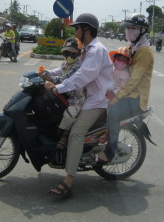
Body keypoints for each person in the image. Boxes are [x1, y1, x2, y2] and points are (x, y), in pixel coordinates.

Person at [43, 13, 113, 197]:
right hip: (85, 97)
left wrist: (58, 87)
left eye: (77, 28)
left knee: (76, 133)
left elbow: (82, 77)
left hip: (96, 100)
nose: (75, 32)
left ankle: (69, 180)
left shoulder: (96, 50)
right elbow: (69, 67)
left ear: (86, 30)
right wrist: (47, 74)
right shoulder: (86, 49)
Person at [96, 13, 154, 163]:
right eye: (128, 28)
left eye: (133, 28)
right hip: (125, 91)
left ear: (142, 30)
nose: (129, 31)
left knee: (113, 110)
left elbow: (134, 80)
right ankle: (103, 133)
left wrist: (117, 98)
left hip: (136, 98)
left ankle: (110, 150)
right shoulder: (132, 48)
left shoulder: (144, 52)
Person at [39, 37, 85, 149]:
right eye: (66, 53)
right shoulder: (66, 64)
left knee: (69, 114)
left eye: (72, 53)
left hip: (74, 99)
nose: (68, 56)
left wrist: (49, 80)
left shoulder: (77, 66)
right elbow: (56, 71)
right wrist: (45, 72)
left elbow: (63, 78)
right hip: (62, 94)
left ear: (78, 53)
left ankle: (64, 136)